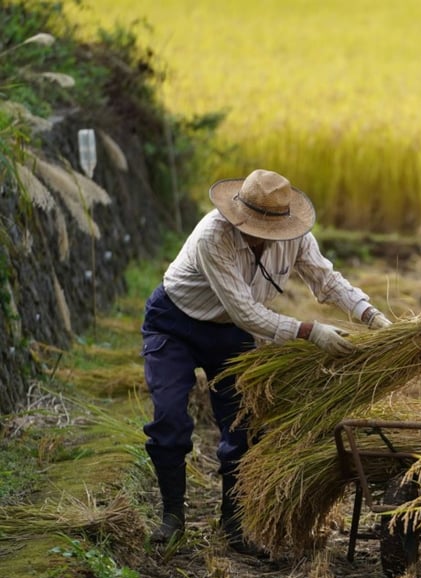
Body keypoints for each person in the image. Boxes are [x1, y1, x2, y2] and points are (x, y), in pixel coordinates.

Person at [140, 169, 391, 557]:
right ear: (238, 214)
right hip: (175, 321)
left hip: (229, 334)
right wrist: (311, 332)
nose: (261, 236)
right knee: (170, 417)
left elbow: (327, 281)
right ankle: (172, 517)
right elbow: (245, 312)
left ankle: (234, 524)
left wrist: (372, 317)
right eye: (255, 227)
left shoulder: (296, 238)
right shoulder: (213, 236)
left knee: (242, 424)